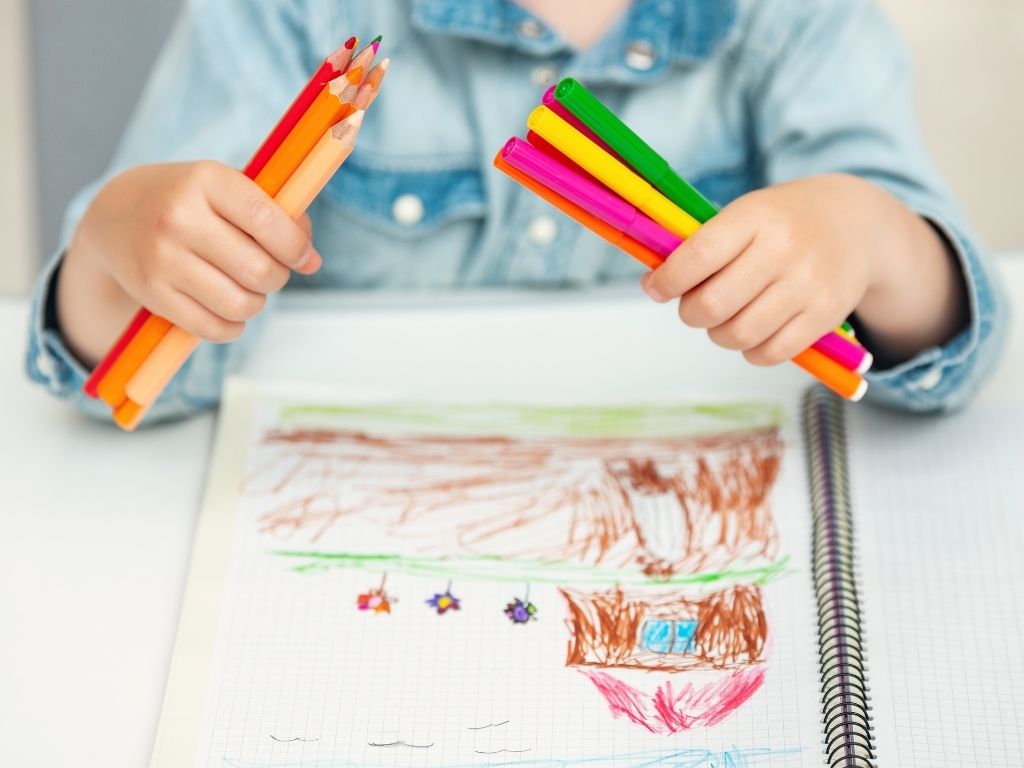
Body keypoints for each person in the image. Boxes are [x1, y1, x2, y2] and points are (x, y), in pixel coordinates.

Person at [26, 0, 1006, 422]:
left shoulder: (794, 21)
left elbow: (945, 367)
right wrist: (119, 239)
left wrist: (869, 236)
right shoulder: (285, 14)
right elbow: (133, 379)